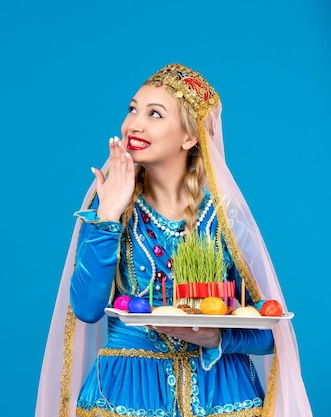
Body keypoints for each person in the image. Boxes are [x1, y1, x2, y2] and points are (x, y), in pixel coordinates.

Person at [35, 63, 311, 417]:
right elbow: (87, 309)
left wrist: (217, 338)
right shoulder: (108, 208)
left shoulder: (223, 219)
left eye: (154, 114)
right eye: (132, 109)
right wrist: (107, 217)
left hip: (221, 392)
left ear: (189, 137)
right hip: (128, 391)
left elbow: (269, 330)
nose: (134, 123)